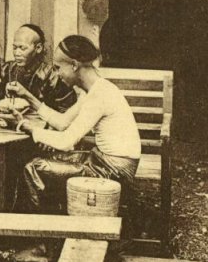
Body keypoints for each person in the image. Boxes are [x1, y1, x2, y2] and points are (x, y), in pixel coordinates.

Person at [13, 35, 141, 211]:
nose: (57, 74)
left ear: (74, 65)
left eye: (58, 68)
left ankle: (40, 229)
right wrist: (27, 96)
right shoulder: (96, 88)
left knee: (33, 167)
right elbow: (62, 122)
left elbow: (66, 141)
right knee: (46, 159)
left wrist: (30, 128)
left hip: (113, 172)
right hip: (101, 161)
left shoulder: (99, 95)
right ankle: (55, 218)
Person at [0, 24, 76, 113]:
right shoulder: (5, 70)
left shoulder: (54, 77)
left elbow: (65, 114)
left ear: (38, 48)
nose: (17, 53)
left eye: (22, 48)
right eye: (14, 48)